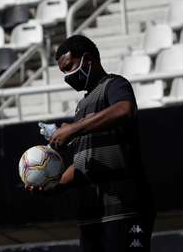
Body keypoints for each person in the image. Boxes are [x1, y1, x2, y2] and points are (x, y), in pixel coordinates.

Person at [28, 34, 155, 251]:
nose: (67, 77)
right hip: (92, 216)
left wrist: (73, 128)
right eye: (63, 73)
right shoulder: (81, 107)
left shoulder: (114, 85)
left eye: (69, 68)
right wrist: (53, 185)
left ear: (87, 60)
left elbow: (124, 109)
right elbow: (81, 166)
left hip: (124, 209)